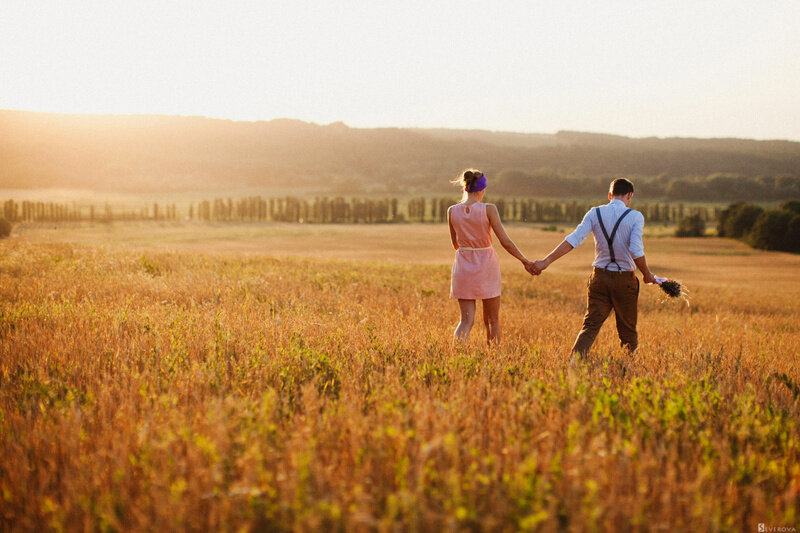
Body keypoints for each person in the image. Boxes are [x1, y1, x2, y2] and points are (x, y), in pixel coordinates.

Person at [529, 178, 656, 356]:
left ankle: (574, 364)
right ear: (629, 196)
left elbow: (573, 240)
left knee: (589, 327)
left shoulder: (594, 213)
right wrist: (647, 274)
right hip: (625, 281)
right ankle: (629, 369)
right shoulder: (635, 217)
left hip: (600, 278)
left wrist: (545, 262)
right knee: (628, 332)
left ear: (610, 194)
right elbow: (636, 249)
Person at [448, 169, 535, 345]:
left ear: (465, 187)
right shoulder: (489, 209)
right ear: (482, 189)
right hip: (486, 265)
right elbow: (505, 242)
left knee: (465, 321)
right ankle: (493, 356)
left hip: (463, 266)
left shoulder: (452, 211)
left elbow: (455, 244)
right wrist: (525, 261)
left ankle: (455, 356)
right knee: (492, 320)